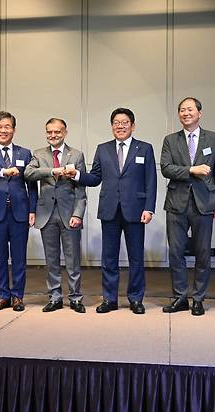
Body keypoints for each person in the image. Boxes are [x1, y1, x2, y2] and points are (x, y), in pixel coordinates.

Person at [76, 108, 157, 314]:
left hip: (136, 210)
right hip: (109, 209)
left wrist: (149, 208)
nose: (120, 126)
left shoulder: (144, 148)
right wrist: (77, 174)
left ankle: (136, 299)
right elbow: (95, 178)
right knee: (109, 257)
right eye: (116, 123)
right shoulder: (103, 149)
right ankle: (109, 299)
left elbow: (151, 181)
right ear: (112, 126)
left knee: (136, 257)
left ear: (133, 125)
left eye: (124, 122)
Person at [160, 97, 215, 316]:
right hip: (176, 203)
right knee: (176, 252)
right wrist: (191, 170)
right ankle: (180, 297)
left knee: (203, 253)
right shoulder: (170, 140)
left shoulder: (214, 139)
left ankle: (198, 298)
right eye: (181, 110)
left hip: (204, 202)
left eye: (190, 109)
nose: (185, 113)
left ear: (200, 112)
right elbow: (166, 169)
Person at [0, 111, 38, 312]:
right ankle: (3, 295)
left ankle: (18, 296)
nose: (3, 130)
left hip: (20, 212)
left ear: (14, 129)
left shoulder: (25, 153)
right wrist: (3, 171)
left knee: (19, 257)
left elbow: (32, 185)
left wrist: (33, 209)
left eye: (7, 126)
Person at [25, 118, 87, 313]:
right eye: (49, 132)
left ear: (65, 133)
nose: (53, 135)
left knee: (73, 259)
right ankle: (55, 297)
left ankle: (76, 298)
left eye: (57, 132)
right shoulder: (39, 154)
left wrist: (78, 213)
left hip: (70, 214)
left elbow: (81, 189)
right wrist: (52, 170)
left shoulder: (76, 155)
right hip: (46, 214)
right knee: (51, 259)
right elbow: (28, 173)